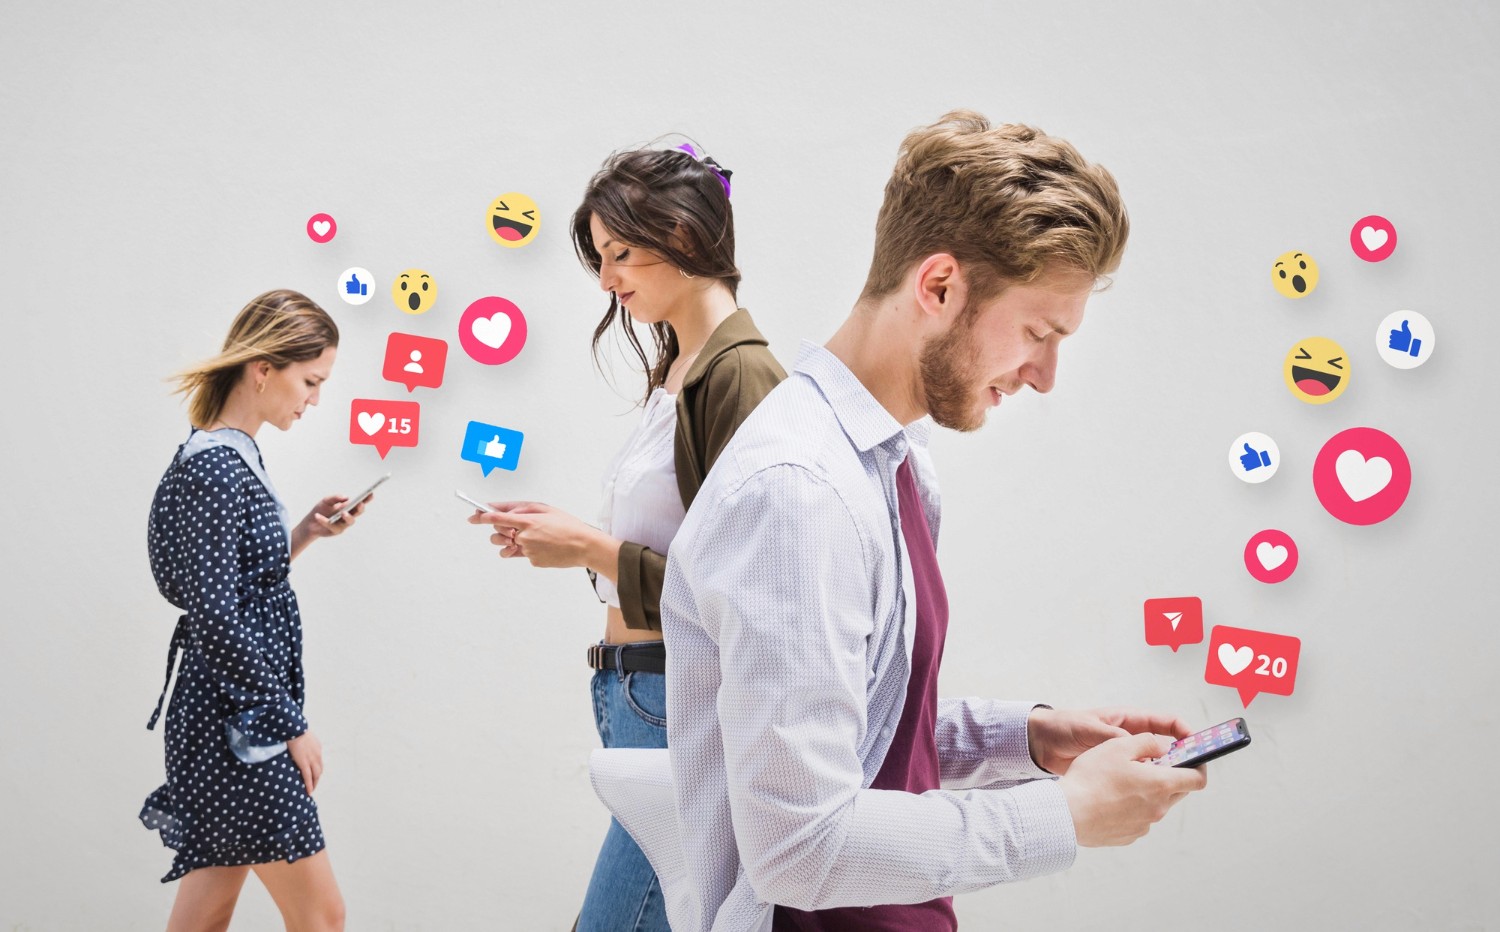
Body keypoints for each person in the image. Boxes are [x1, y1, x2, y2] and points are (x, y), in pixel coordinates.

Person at [591, 111, 1210, 931]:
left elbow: (851, 731)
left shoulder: (892, 463)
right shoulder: (796, 489)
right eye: (1038, 332)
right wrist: (1063, 818)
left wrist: (1024, 737)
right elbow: (798, 843)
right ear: (939, 286)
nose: (1046, 374)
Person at [467, 141, 785, 931]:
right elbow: (685, 543)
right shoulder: (682, 365)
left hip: (676, 699)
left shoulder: (740, 378)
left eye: (620, 254)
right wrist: (575, 536)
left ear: (681, 236)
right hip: (636, 692)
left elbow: (754, 587)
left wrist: (589, 549)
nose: (607, 281)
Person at [141, 289, 366, 932]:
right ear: (263, 368)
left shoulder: (226, 454)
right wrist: (288, 725)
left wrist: (302, 535)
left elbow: (230, 587)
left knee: (205, 913)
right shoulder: (217, 465)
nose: (315, 399)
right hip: (236, 729)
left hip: (223, 717)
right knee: (322, 916)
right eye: (310, 380)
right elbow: (215, 614)